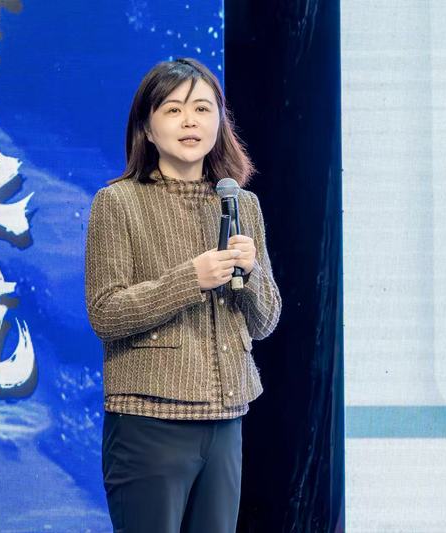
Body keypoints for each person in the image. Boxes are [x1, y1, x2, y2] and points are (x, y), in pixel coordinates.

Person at [85, 57, 282, 533]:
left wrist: (251, 272)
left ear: (220, 122)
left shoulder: (242, 204)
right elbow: (105, 313)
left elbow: (265, 322)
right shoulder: (117, 202)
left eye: (202, 108)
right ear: (147, 128)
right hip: (150, 420)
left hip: (226, 419)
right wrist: (189, 279)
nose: (190, 121)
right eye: (173, 110)